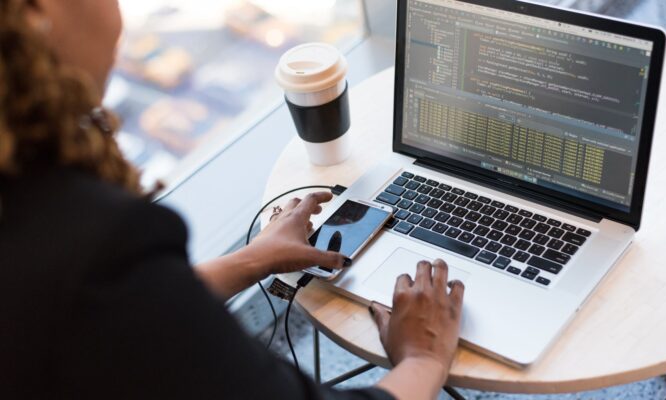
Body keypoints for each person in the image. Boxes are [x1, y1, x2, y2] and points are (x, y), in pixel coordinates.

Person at [0, 1, 466, 399]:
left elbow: (106, 318)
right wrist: (424, 358)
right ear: (34, 16)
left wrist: (251, 259)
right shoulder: (95, 238)